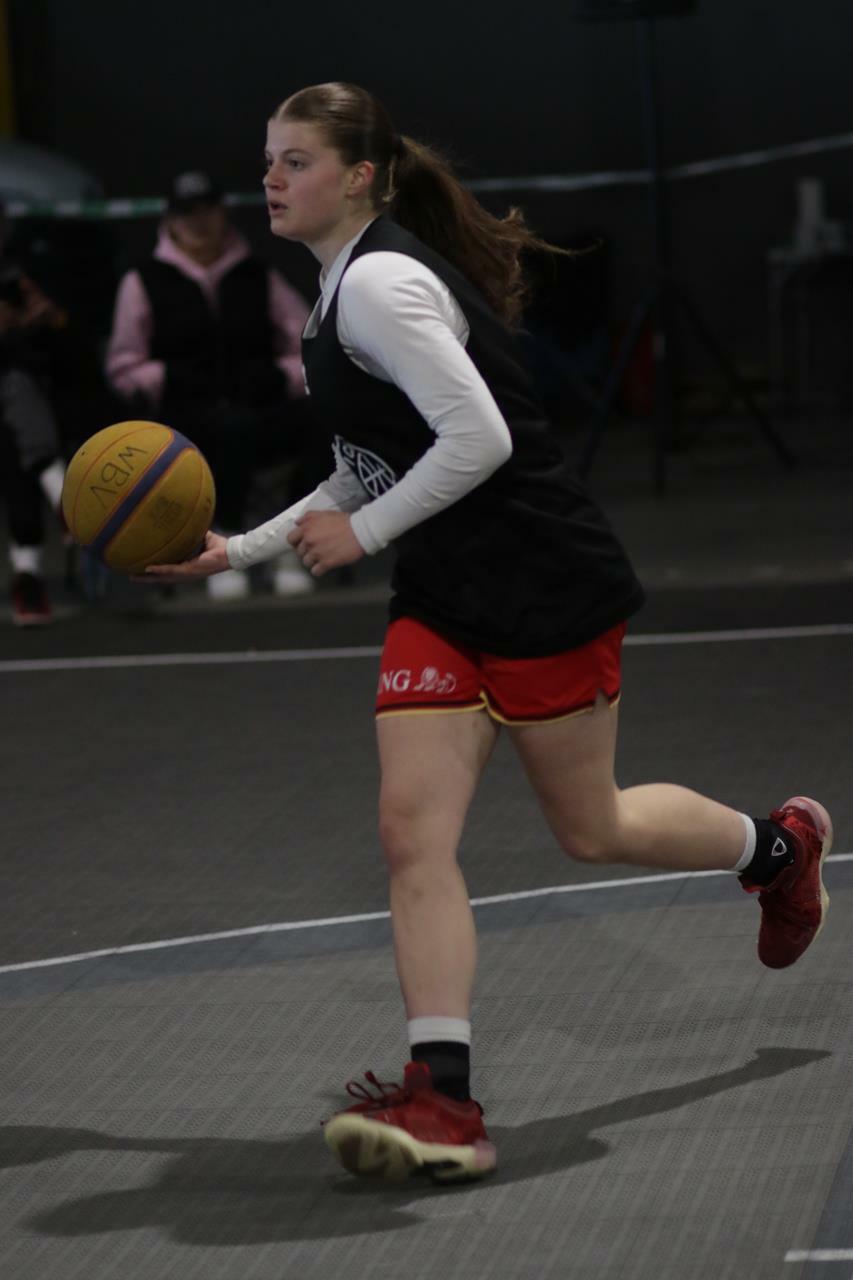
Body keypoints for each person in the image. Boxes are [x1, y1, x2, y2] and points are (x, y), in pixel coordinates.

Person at [143, 83, 833, 1185]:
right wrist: (238, 550)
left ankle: (779, 850)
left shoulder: (380, 285)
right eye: (266, 157)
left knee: (593, 828)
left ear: (359, 177)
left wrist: (364, 532)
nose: (269, 178)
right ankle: (444, 1099)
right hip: (442, 596)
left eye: (295, 160)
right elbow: (365, 462)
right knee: (410, 833)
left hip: (541, 579)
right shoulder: (334, 289)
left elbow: (480, 438)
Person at [106, 170, 318, 600]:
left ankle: (289, 538)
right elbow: (123, 365)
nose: (199, 222)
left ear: (224, 214)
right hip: (183, 415)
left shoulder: (258, 274)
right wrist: (166, 377)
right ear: (170, 219)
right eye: (188, 213)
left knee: (322, 423)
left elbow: (308, 345)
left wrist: (279, 375)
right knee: (228, 431)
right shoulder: (142, 280)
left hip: (257, 402)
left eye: (207, 210)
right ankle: (226, 543)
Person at [0, 203, 69, 626]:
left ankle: (27, 575)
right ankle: (68, 501)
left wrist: (49, 319)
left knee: (15, 449)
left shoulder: (25, 271)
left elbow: (72, 348)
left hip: (26, 397)